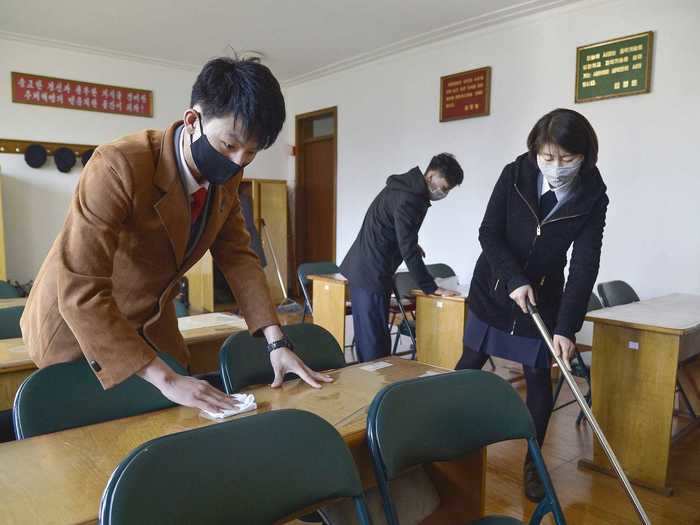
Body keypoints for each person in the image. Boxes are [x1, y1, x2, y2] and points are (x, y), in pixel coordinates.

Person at [21, 57, 332, 414]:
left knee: (173, 426)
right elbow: (80, 289)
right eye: (228, 145)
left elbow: (238, 257)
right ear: (192, 120)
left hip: (151, 320)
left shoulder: (227, 175)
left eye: (250, 154)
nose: (236, 163)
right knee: (89, 442)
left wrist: (277, 342)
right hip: (77, 326)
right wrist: (166, 380)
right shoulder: (117, 166)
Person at [456, 108, 608, 501]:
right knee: (469, 364)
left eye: (567, 159)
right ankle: (447, 445)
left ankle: (534, 467)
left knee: (539, 379)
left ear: (585, 156)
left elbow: (585, 263)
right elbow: (488, 232)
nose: (556, 167)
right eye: (547, 158)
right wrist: (513, 278)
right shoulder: (515, 173)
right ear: (535, 151)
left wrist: (566, 326)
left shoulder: (593, 195)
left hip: (542, 301)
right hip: (494, 288)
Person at [340, 154, 464, 362]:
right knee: (374, 343)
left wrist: (412, 244)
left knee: (374, 338)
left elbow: (393, 226)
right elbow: (407, 249)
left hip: (368, 268)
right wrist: (431, 287)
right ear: (431, 175)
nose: (443, 193)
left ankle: (374, 386)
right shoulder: (410, 197)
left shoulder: (407, 188)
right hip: (369, 271)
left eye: (448, 191)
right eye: (443, 188)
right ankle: (372, 390)